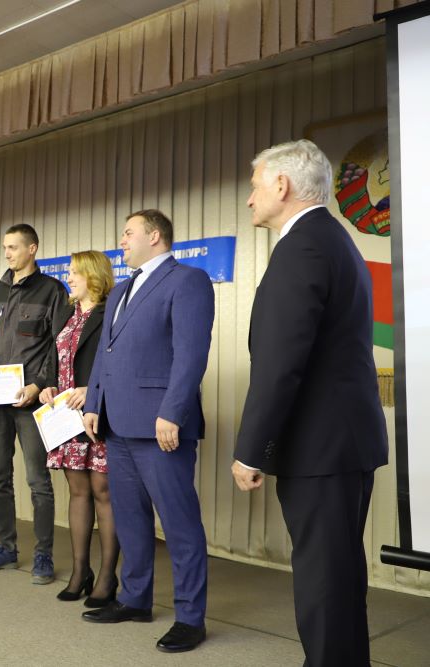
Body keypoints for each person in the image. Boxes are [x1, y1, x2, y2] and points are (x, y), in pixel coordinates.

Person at [232, 139, 388, 666]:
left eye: (254, 186)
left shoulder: (302, 247)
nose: (250, 198)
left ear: (281, 185)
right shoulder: (332, 239)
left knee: (324, 587)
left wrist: (250, 449)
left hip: (321, 447)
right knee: (338, 581)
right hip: (341, 443)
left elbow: (281, 362)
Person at [80, 209, 214, 654]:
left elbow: (191, 354)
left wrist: (172, 412)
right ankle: (135, 600)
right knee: (130, 518)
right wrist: (94, 403)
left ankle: (190, 618)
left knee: (179, 523)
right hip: (117, 424)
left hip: (161, 426)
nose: (121, 240)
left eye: (128, 233)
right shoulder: (121, 288)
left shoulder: (188, 280)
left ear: (155, 236)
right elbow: (105, 353)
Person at [0, 224, 65, 584]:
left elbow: (58, 345)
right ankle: (5, 548)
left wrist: (39, 384)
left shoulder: (52, 290)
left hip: (30, 402)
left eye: (13, 247)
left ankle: (44, 555)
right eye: (5, 248)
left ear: (32, 248)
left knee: (38, 481)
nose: (7, 253)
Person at [37, 251, 119, 605]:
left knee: (103, 491)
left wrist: (93, 390)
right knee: (78, 490)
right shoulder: (66, 314)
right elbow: (55, 359)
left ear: (93, 275)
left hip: (97, 413)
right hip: (66, 417)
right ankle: (80, 571)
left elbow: (118, 362)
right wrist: (48, 385)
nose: (68, 277)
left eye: (74, 272)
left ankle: (107, 576)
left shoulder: (112, 311)